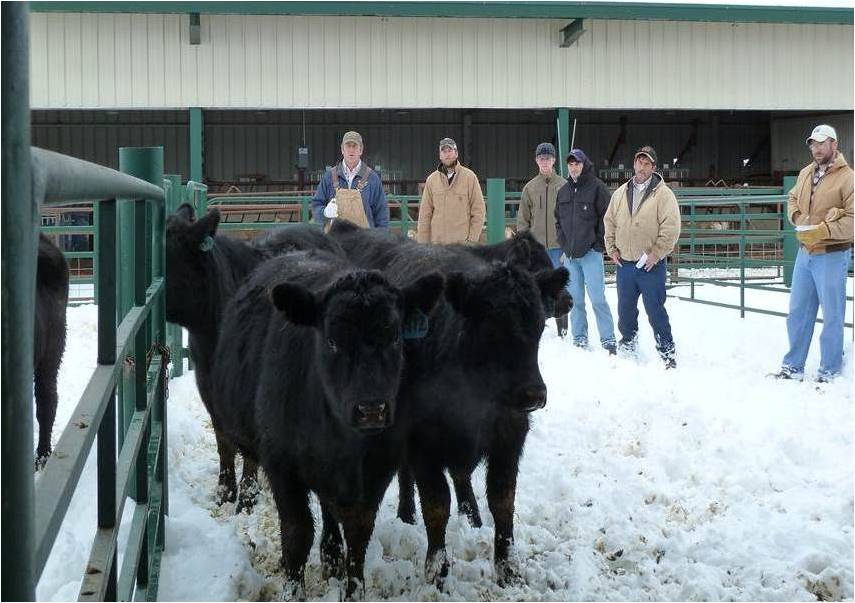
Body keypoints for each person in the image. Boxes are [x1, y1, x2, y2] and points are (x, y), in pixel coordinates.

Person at [772, 124, 853, 383]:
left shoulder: (848, 177)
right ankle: (793, 366)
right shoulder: (806, 173)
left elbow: (852, 219)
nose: (816, 148)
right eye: (813, 144)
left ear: (834, 145)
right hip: (805, 252)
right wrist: (797, 217)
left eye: (822, 143)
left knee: (832, 313)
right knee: (797, 311)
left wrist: (824, 230)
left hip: (831, 253)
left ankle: (829, 370)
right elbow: (792, 199)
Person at [604, 145, 681, 368]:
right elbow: (609, 222)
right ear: (634, 164)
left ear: (653, 167)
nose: (642, 167)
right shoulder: (620, 193)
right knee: (625, 309)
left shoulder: (664, 195)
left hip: (650, 265)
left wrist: (656, 254)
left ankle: (667, 351)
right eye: (639, 162)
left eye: (647, 163)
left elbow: (671, 227)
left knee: (655, 309)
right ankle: (628, 345)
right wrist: (612, 248)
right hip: (625, 264)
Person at [555, 148, 616, 353]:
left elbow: (607, 218)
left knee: (598, 298)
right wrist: (563, 244)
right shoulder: (563, 191)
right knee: (576, 300)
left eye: (577, 164)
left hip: (590, 254)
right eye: (571, 164)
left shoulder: (597, 188)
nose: (574, 168)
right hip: (571, 257)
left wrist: (597, 244)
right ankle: (579, 337)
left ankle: (608, 340)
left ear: (584, 164)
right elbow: (558, 221)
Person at [518, 142, 569, 335]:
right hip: (537, 250)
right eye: (541, 158)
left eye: (548, 158)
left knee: (559, 289)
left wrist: (567, 245)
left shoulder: (564, 186)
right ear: (536, 160)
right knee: (536, 287)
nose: (544, 161)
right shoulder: (530, 188)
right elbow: (523, 220)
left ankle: (562, 329)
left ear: (554, 160)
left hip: (559, 248)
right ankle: (537, 326)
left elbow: (570, 219)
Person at [312, 131, 389, 229]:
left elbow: (382, 214)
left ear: (361, 150)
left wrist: (380, 241)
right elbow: (316, 205)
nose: (351, 150)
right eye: (348, 146)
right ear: (342, 149)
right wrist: (324, 212)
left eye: (355, 146)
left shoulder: (372, 178)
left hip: (364, 241)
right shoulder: (329, 177)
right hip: (335, 240)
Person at [417, 137, 485, 245]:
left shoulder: (470, 177)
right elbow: (425, 215)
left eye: (450, 151)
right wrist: (422, 245)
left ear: (456, 153)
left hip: (462, 247)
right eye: (443, 151)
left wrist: (471, 241)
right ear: (440, 155)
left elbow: (478, 211)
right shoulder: (431, 180)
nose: (447, 154)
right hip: (438, 247)